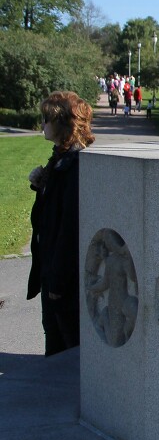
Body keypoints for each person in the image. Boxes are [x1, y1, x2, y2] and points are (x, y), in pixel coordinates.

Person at [26, 91, 95, 355]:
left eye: (47, 118)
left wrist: (57, 281)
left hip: (61, 280)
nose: (42, 123)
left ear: (64, 123)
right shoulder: (60, 160)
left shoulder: (75, 165)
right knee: (55, 342)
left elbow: (70, 229)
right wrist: (40, 186)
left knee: (67, 349)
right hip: (51, 272)